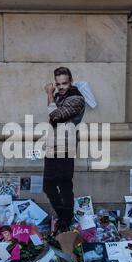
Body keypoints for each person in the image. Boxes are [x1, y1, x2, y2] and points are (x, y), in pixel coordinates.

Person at [43, 67, 85, 233]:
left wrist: (49, 95)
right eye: (58, 83)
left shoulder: (76, 99)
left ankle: (65, 222)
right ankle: (64, 219)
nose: (61, 87)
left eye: (64, 83)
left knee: (64, 185)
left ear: (71, 82)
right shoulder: (60, 97)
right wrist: (52, 98)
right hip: (54, 146)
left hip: (65, 147)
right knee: (48, 186)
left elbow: (55, 116)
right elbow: (53, 115)